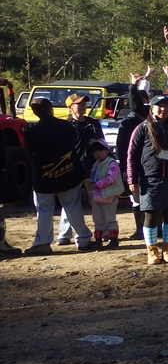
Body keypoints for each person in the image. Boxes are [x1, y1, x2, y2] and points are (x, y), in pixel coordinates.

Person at [24, 98, 94, 255]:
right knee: (73, 207)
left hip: (44, 178)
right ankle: (83, 239)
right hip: (69, 174)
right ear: (51, 109)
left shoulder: (32, 132)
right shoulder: (66, 126)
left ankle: (43, 243)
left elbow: (30, 153)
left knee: (44, 210)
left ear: (34, 112)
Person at [127, 94, 168, 265]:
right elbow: (132, 154)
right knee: (151, 215)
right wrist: (131, 178)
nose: (163, 109)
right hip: (149, 178)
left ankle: (167, 249)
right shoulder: (142, 128)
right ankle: (152, 250)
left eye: (166, 106)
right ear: (152, 108)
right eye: (159, 106)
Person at [55, 92, 105, 245]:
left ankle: (102, 232)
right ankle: (64, 234)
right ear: (70, 107)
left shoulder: (93, 123)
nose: (83, 106)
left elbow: (102, 143)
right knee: (70, 202)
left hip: (93, 167)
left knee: (98, 201)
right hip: (72, 168)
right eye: (79, 104)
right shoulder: (64, 126)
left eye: (84, 103)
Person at [118, 72, 151, 241]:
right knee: (136, 199)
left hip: (152, 167)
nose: (143, 105)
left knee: (153, 198)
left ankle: (154, 228)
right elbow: (121, 148)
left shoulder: (154, 119)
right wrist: (125, 170)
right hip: (134, 167)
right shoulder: (127, 123)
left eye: (144, 101)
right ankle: (140, 229)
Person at [87, 139, 122, 250]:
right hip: (97, 196)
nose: (98, 154)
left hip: (109, 195)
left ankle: (113, 240)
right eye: (95, 152)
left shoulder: (112, 163)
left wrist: (96, 184)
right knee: (97, 219)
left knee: (110, 218)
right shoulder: (96, 164)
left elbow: (111, 178)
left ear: (107, 150)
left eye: (100, 151)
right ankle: (98, 240)